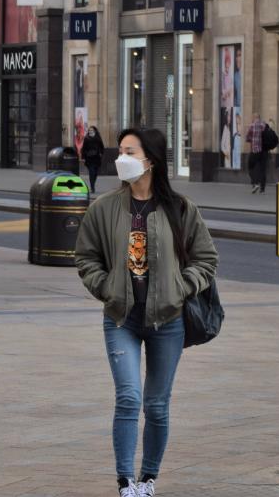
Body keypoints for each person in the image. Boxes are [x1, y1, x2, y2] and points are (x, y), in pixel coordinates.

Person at [75, 128, 218, 497]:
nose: (120, 157)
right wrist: (106, 287)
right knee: (128, 397)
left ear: (149, 159)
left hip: (167, 319)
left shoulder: (181, 208)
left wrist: (182, 287)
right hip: (122, 317)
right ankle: (125, 481)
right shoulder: (104, 207)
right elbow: (86, 257)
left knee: (156, 404)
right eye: (119, 150)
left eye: (128, 151)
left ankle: (148, 478)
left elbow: (206, 258)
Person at [245, 113, 267, 193]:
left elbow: (247, 138)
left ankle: (255, 183)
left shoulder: (252, 126)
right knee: (262, 169)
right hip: (264, 151)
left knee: (250, 167)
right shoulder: (264, 125)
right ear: (259, 117)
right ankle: (262, 189)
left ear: (254, 118)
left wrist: (252, 139)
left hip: (255, 150)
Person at [81, 126, 105, 193]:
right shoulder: (86, 138)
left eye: (91, 130)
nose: (90, 131)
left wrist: (101, 153)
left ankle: (93, 184)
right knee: (91, 172)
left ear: (94, 131)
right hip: (89, 158)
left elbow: (102, 147)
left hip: (97, 158)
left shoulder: (98, 138)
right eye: (89, 130)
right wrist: (83, 157)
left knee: (95, 173)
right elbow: (83, 148)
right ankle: (92, 187)